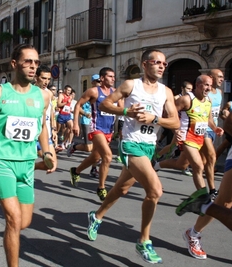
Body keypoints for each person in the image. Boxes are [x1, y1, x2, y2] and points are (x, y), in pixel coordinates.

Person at [87, 49, 179, 264]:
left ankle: (96, 216)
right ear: (145, 64)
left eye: (164, 64)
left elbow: (174, 122)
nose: (161, 66)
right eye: (157, 62)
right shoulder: (131, 85)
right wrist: (127, 112)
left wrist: (154, 119)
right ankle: (144, 241)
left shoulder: (166, 92)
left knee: (122, 188)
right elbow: (104, 104)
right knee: (155, 191)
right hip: (130, 144)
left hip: (149, 147)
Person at [0, 44, 56, 267]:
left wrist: (47, 151)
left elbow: (42, 126)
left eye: (36, 63)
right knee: (14, 219)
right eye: (28, 61)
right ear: (14, 64)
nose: (33, 67)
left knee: (25, 221)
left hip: (27, 164)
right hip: (2, 162)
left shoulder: (43, 97)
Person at [176, 61, 232, 256]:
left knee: (207, 161)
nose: (218, 81)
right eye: (216, 78)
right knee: (225, 202)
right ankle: (194, 233)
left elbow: (209, 116)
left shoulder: (216, 96)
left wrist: (213, 127)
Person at [153, 76, 224, 193]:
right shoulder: (186, 99)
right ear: (197, 85)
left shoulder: (208, 101)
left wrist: (215, 128)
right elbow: (167, 114)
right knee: (198, 166)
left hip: (199, 138)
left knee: (181, 165)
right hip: (187, 138)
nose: (209, 88)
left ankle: (156, 165)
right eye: (206, 85)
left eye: (210, 86)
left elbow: (208, 119)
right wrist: (176, 130)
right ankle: (203, 197)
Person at [70, 67, 117, 201]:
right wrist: (75, 123)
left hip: (109, 129)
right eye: (110, 76)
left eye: (114, 76)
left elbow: (122, 108)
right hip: (96, 128)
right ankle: (101, 188)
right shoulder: (94, 91)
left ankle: (76, 171)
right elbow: (78, 105)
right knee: (107, 157)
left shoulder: (115, 92)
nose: (113, 79)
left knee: (95, 157)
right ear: (102, 78)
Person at [67, 74, 101, 178]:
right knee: (89, 148)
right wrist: (86, 114)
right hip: (87, 121)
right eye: (96, 81)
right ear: (92, 83)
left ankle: (94, 169)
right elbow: (78, 106)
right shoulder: (89, 93)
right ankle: (74, 146)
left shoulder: (103, 94)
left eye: (100, 81)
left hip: (98, 123)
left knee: (97, 148)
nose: (99, 83)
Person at [200, 69, 224, 198]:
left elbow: (215, 113)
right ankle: (212, 190)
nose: (222, 79)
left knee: (184, 163)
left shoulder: (219, 92)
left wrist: (224, 115)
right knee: (212, 157)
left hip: (212, 129)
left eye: (222, 77)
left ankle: (158, 164)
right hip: (203, 129)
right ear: (211, 77)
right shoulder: (205, 93)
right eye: (219, 76)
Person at [215, 88, 232, 159]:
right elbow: (221, 113)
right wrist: (226, 119)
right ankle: (213, 160)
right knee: (224, 145)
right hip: (231, 129)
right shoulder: (230, 104)